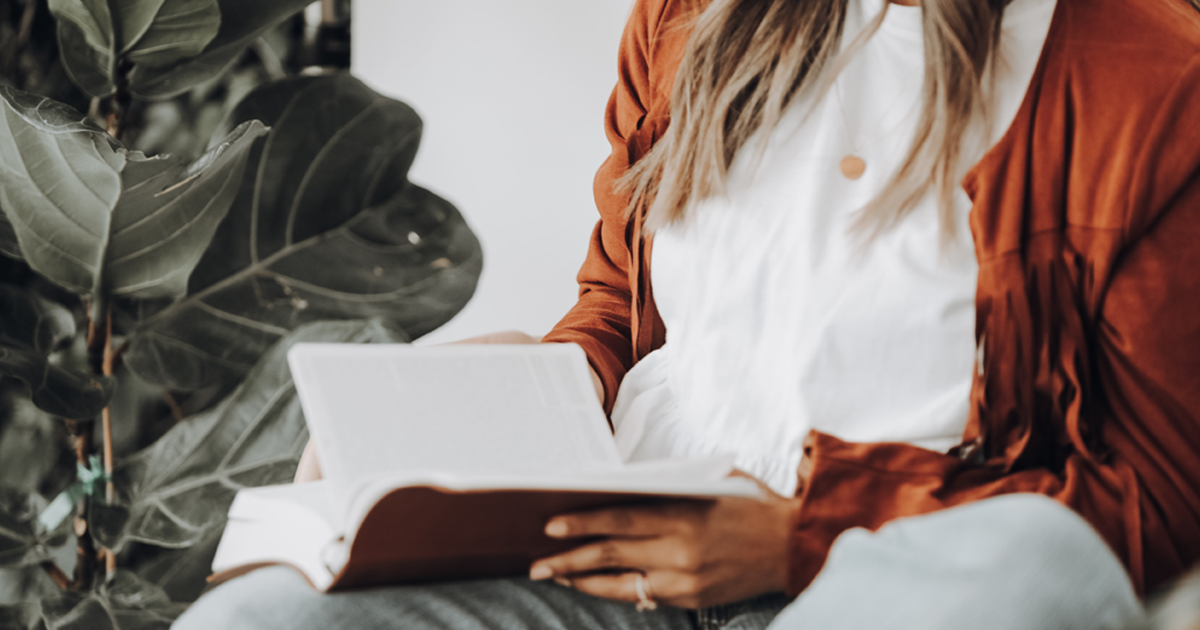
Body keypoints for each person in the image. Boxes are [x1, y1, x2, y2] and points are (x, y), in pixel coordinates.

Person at [174, 0, 1200, 627]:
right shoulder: (689, 15)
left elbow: (1157, 490)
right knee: (260, 619)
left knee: (1035, 570)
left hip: (892, 586)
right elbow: (619, 311)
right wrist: (503, 388)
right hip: (612, 559)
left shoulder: (1153, 80)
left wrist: (802, 538)